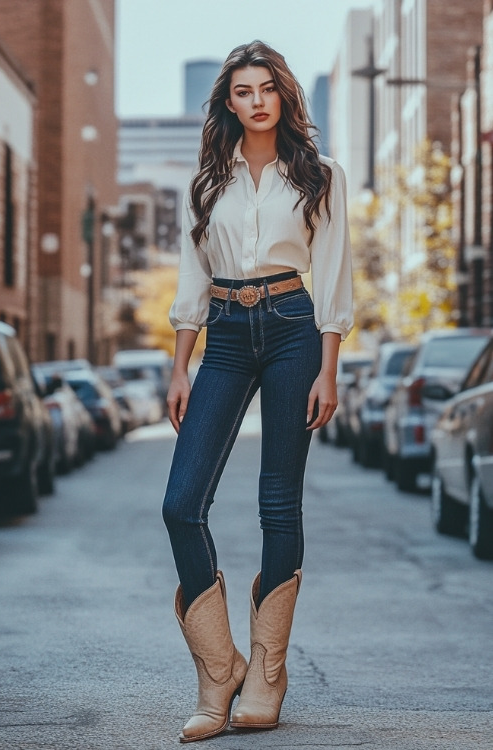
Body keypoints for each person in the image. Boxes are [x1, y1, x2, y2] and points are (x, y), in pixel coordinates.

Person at [162, 40, 353, 743]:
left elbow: (333, 274)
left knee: (279, 501)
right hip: (225, 334)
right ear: (228, 103)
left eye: (267, 88)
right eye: (242, 91)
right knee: (181, 504)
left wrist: (330, 365)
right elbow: (191, 280)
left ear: (284, 95)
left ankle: (267, 673)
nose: (257, 100)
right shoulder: (207, 181)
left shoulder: (320, 174)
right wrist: (181, 364)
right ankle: (220, 670)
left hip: (295, 328)